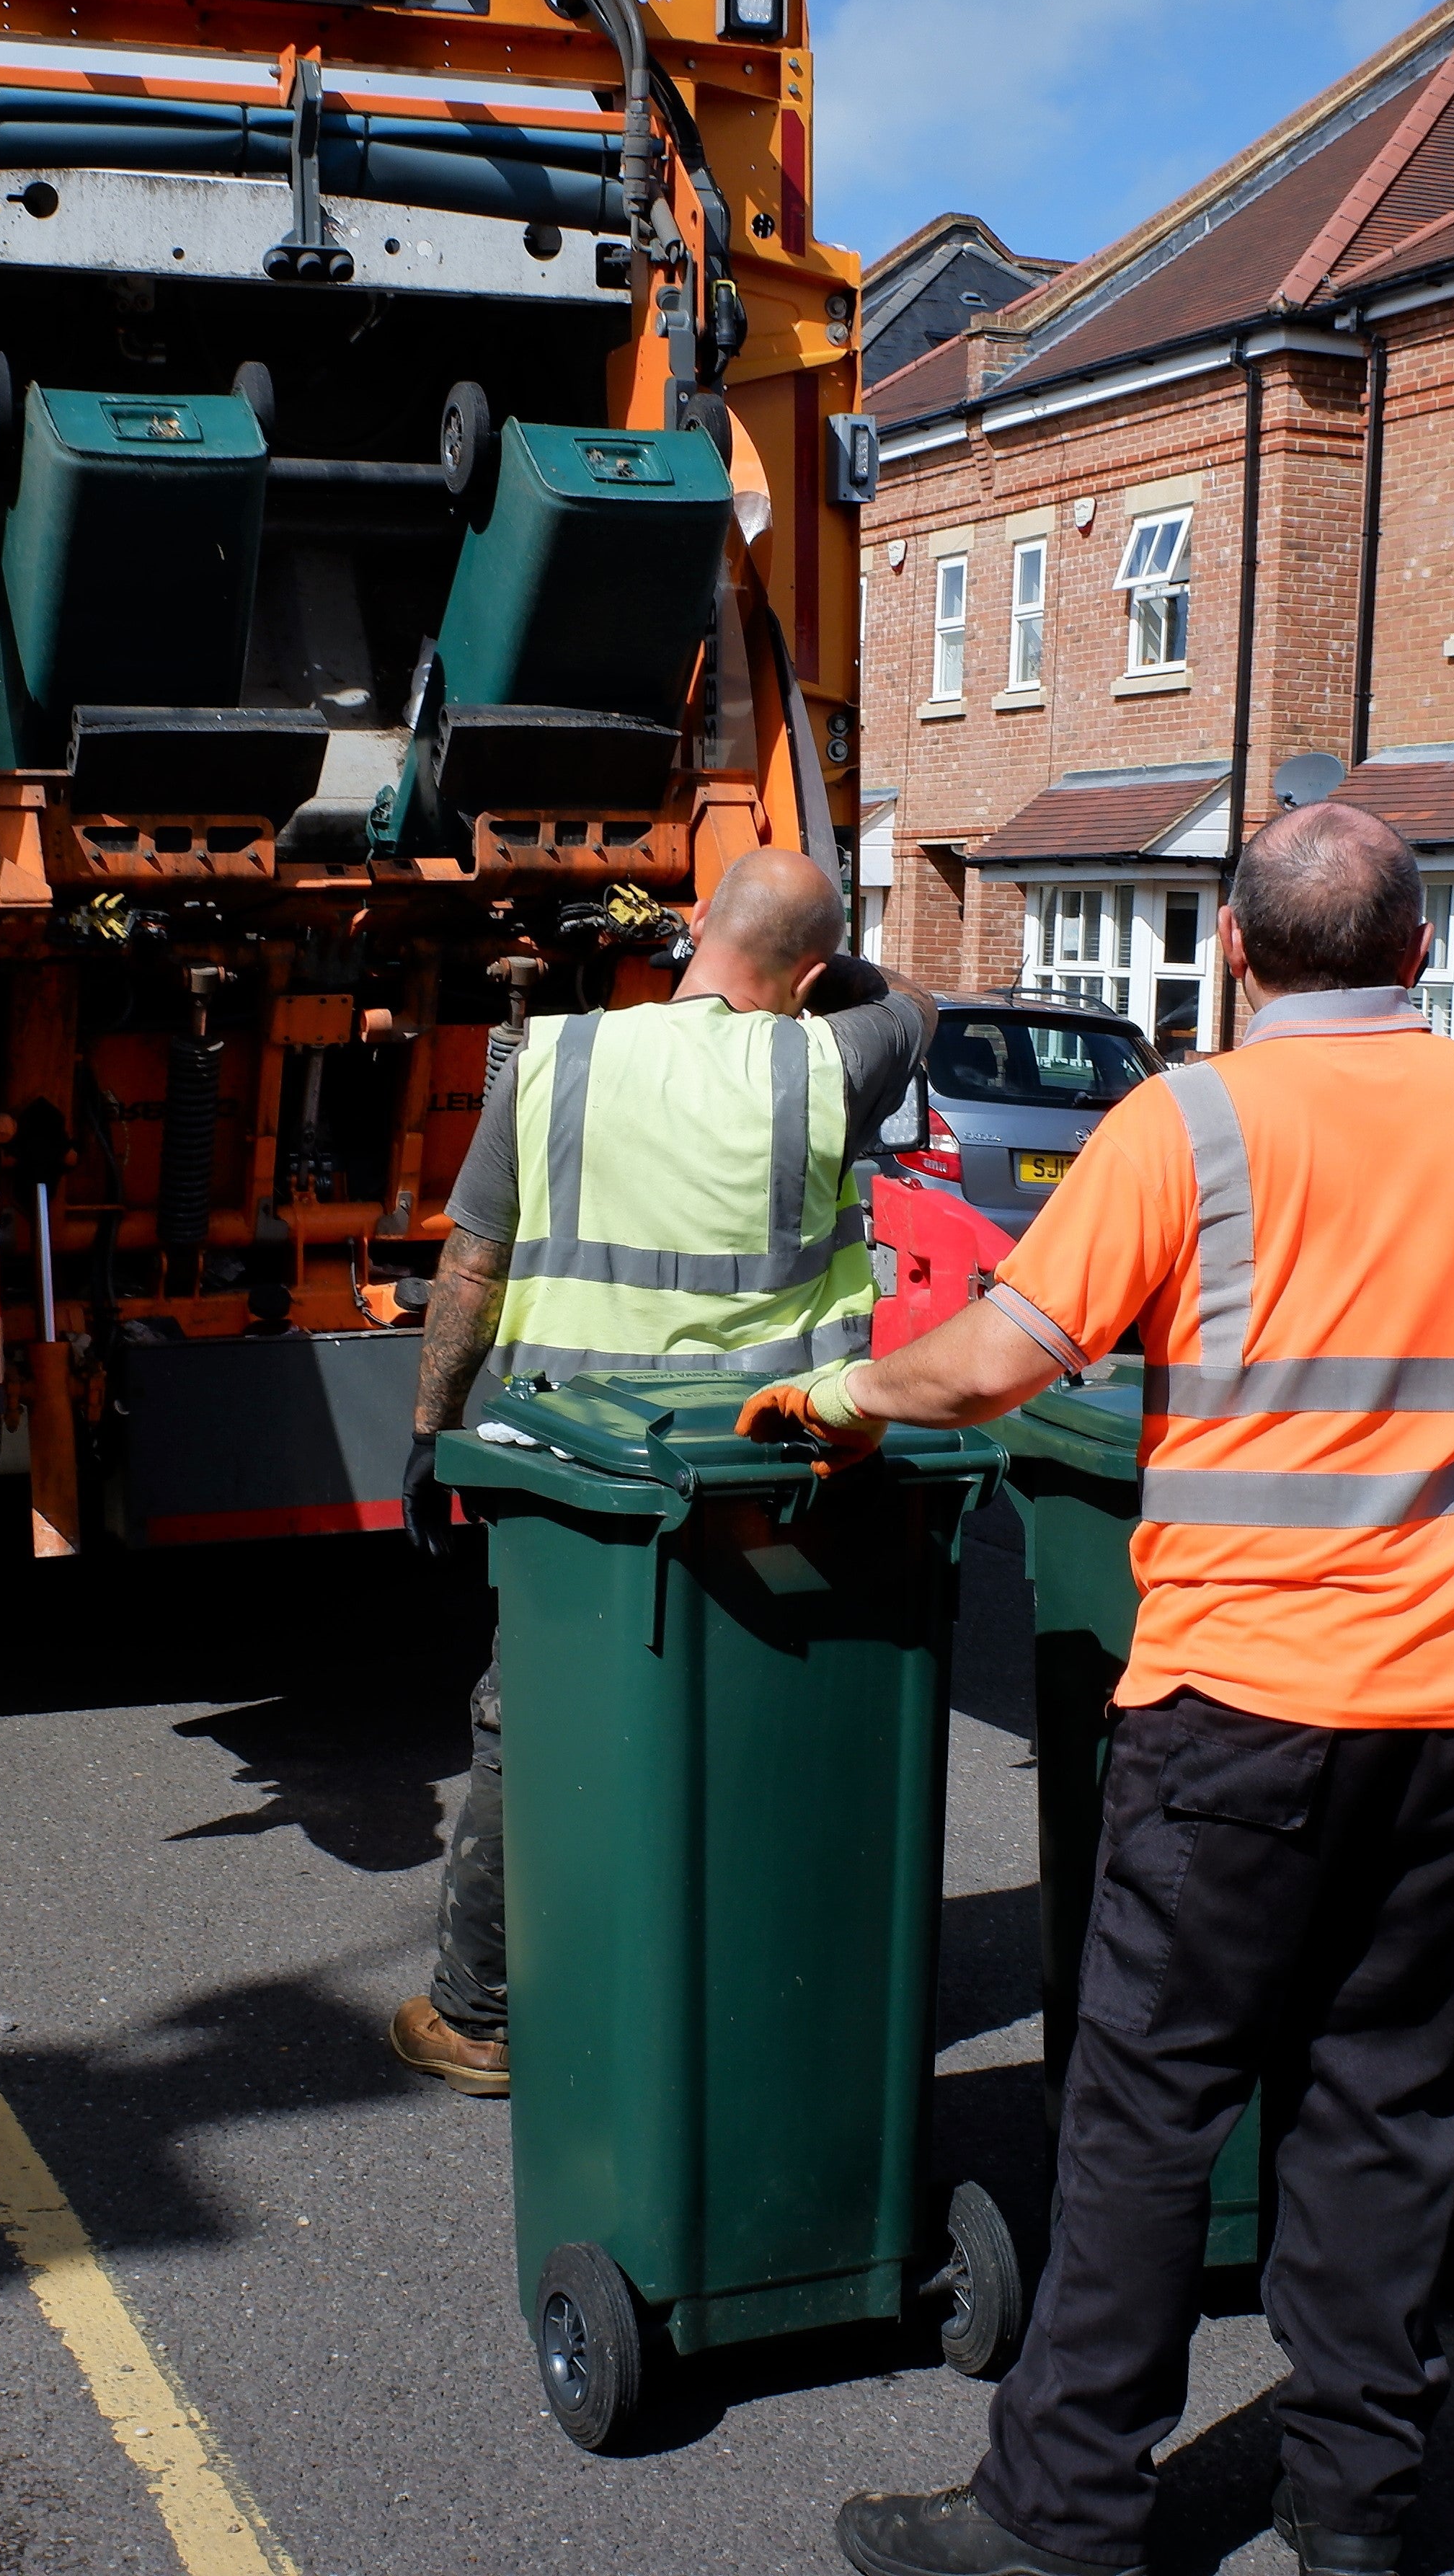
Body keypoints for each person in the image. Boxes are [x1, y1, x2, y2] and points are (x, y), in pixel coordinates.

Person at [777, 802, 1454, 2576]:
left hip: (1239, 1707)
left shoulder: (1190, 1124)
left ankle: (1065, 2514)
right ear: (1419, 954)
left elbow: (999, 1363)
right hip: (1447, 1717)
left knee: (1146, 2114)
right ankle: (1355, 2516)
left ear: (1236, 955)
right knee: (1387, 2112)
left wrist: (845, 1397)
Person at [385, 847, 933, 2096]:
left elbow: (471, 1265)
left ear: (691, 930)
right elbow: (913, 1002)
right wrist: (821, 964)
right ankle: (750, 2000)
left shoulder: (554, 1057)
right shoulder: (830, 1059)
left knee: (538, 1725)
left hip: (581, 1480)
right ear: (806, 973)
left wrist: (433, 1428)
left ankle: (482, 2018)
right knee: (752, 1724)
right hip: (766, 1470)